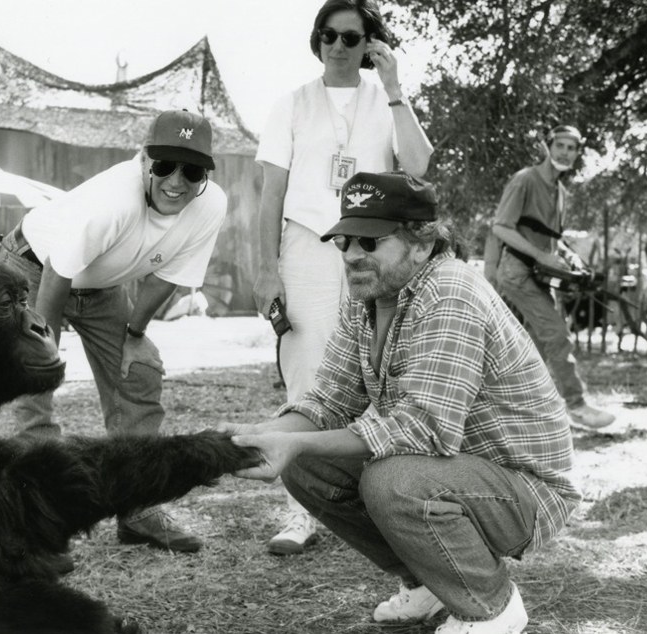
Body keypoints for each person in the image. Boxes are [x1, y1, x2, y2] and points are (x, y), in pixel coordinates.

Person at [224, 172, 580, 634]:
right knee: (306, 467)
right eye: (345, 241)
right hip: (457, 470)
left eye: (370, 242)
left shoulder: (451, 290)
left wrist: (296, 444)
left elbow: (422, 429)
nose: (353, 255)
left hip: (525, 488)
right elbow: (330, 399)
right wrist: (264, 439)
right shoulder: (367, 297)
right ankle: (431, 583)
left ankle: (491, 608)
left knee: (392, 479)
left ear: (421, 243)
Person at [0, 109, 227, 558]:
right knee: (33, 390)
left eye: (192, 170)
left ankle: (138, 507)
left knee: (139, 373)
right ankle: (41, 520)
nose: (176, 181)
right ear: (143, 160)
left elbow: (167, 276)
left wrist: (135, 335)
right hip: (34, 267)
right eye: (164, 165)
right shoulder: (113, 202)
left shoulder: (210, 205)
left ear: (205, 175)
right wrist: (44, 351)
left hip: (101, 285)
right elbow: (57, 276)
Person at [252, 0, 434, 555]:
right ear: (317, 40)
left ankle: (379, 499)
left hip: (370, 245)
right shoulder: (290, 104)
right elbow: (270, 196)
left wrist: (395, 84)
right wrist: (265, 269)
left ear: (367, 44)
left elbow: (420, 167)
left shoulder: (386, 100)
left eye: (351, 38)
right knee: (309, 372)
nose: (338, 46)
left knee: (376, 368)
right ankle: (299, 510)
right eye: (328, 35)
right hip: (306, 243)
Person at [488, 125, 615, 429]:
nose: (565, 152)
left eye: (572, 148)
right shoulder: (525, 180)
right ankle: (577, 405)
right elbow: (501, 227)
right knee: (557, 335)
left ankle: (512, 407)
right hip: (517, 272)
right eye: (560, 145)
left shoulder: (560, 192)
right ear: (547, 146)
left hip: (542, 275)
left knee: (537, 344)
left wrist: (569, 259)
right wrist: (541, 255)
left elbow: (551, 239)